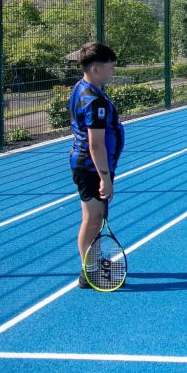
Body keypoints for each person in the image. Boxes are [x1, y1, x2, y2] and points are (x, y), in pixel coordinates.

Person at [69, 42, 125, 290]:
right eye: (111, 67)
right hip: (92, 168)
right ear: (95, 69)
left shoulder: (84, 88)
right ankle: (88, 272)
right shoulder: (93, 100)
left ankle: (93, 262)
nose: (113, 71)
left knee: (95, 217)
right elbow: (96, 144)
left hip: (90, 165)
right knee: (93, 219)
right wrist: (105, 178)